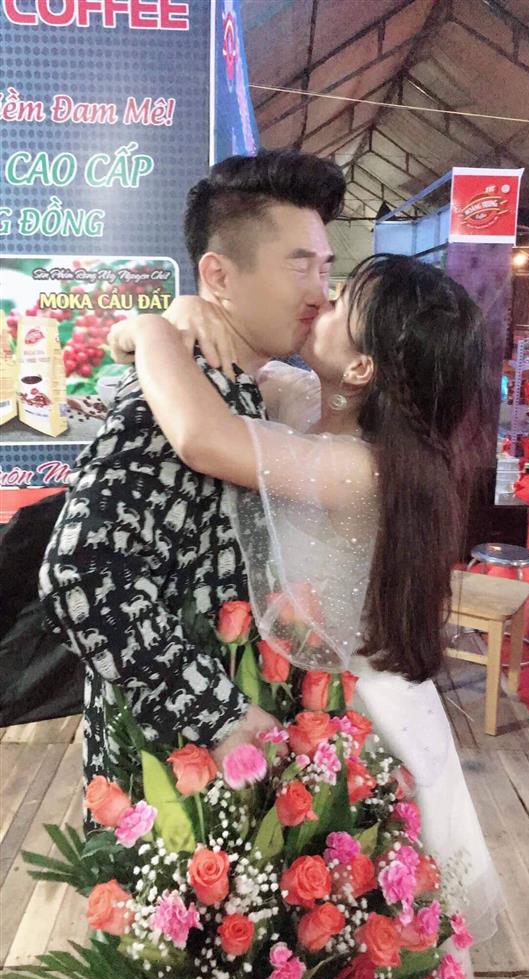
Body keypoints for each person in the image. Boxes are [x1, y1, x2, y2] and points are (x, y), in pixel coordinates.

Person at [109, 254, 504, 979]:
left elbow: (202, 436)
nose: (322, 296)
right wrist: (183, 313)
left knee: (359, 924)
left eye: (342, 301)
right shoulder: (307, 404)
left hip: (360, 717)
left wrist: (150, 330)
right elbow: (236, 372)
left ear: (362, 369)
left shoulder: (362, 465)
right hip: (310, 696)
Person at [38, 149, 345, 792]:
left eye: (325, 267)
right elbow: (81, 569)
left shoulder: (245, 390)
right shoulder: (178, 395)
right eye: (299, 265)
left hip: (223, 769)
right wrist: (215, 712)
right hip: (176, 782)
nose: (319, 292)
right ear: (219, 275)